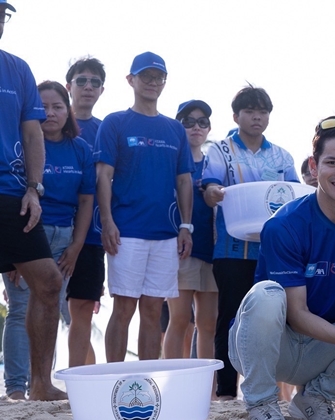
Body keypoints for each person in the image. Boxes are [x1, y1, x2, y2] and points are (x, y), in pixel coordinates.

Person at [229, 115, 335, 420]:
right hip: (266, 345)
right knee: (267, 295)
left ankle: (315, 399)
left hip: (317, 347)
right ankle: (260, 402)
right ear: (313, 166)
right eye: (332, 163)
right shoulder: (285, 225)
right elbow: (296, 313)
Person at [95, 52, 194, 362]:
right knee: (124, 307)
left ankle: (146, 378)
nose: (153, 82)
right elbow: (103, 175)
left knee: (153, 309)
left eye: (158, 77)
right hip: (127, 231)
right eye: (146, 76)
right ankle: (114, 376)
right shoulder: (115, 122)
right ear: (131, 80)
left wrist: (186, 226)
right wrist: (108, 221)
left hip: (165, 233)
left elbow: (184, 182)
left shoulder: (174, 129)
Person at [202, 86, 297, 400]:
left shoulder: (281, 156)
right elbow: (210, 187)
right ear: (236, 116)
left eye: (263, 111)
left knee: (273, 320)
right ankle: (227, 391)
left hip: (271, 251)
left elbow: (294, 195)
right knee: (229, 316)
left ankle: (266, 389)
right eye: (250, 111)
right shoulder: (221, 150)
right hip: (230, 249)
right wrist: (213, 192)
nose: (257, 117)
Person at [0, 0, 66, 401]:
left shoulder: (18, 69)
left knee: (49, 283)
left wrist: (34, 188)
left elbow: (33, 135)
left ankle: (41, 385)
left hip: (12, 194)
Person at [162, 100, 218, 361]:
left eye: (202, 121)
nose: (196, 127)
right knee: (180, 320)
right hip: (180, 251)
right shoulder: (169, 164)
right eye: (188, 121)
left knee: (208, 325)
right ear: (177, 125)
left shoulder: (214, 166)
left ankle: (211, 392)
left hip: (212, 252)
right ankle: (171, 383)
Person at [64, 56, 107, 367]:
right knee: (40, 308)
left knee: (80, 310)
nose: (88, 87)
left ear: (102, 89)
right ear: (69, 86)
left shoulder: (108, 130)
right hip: (47, 229)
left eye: (95, 82)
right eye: (82, 80)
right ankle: (27, 385)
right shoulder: (45, 123)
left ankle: (77, 381)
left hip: (92, 237)